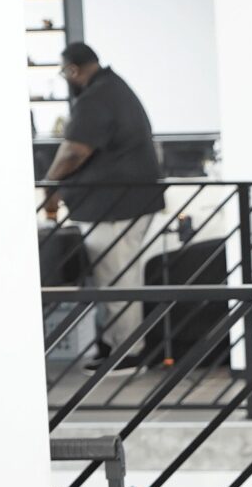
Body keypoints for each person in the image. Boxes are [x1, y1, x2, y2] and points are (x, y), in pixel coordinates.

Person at [39, 43, 166, 360]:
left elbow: (73, 152)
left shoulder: (97, 98)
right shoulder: (113, 88)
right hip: (125, 201)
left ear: (72, 69)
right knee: (121, 277)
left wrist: (50, 185)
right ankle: (118, 347)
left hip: (115, 206)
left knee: (116, 279)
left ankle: (125, 353)